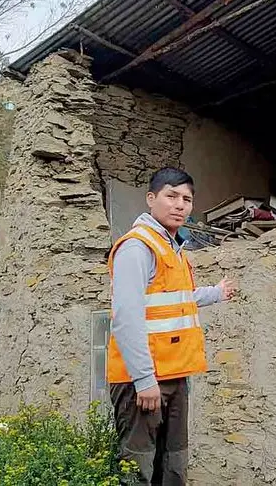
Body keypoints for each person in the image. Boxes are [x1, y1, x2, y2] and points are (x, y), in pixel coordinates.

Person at [106, 167, 236, 485]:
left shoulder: (172, 248)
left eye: (187, 199)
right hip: (145, 381)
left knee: (173, 464)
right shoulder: (138, 248)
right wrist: (144, 379)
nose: (180, 205)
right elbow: (127, 318)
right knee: (138, 469)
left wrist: (216, 294)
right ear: (151, 199)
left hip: (174, 377)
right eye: (171, 196)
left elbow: (178, 300)